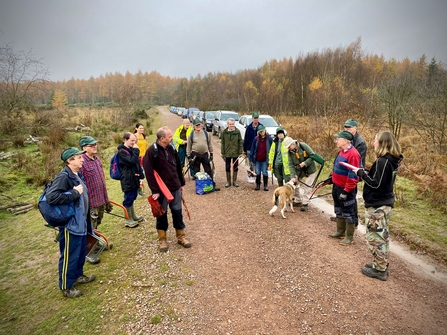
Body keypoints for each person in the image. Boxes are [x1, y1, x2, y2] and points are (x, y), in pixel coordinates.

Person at [352, 131, 403, 281]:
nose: (373, 143)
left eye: (375, 140)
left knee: (375, 237)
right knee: (383, 236)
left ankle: (380, 269)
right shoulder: (391, 160)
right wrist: (366, 172)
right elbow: (381, 179)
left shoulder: (383, 161)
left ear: (382, 143)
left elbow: (376, 184)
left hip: (378, 205)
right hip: (385, 203)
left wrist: (361, 173)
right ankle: (380, 264)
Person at [46, 147, 96, 298]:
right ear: (70, 160)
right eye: (79, 157)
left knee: (80, 252)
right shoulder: (63, 177)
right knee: (69, 255)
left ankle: (78, 276)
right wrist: (74, 193)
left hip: (81, 223)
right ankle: (66, 286)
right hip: (71, 225)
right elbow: (52, 197)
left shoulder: (75, 174)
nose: (82, 159)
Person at [143, 126, 191, 252]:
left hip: (175, 187)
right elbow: (148, 173)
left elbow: (178, 166)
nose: (172, 138)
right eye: (169, 136)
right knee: (161, 214)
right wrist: (155, 191)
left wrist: (181, 183)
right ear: (162, 138)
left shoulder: (172, 147)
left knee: (177, 212)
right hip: (161, 190)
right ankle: (162, 239)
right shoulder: (151, 152)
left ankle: (181, 237)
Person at [79, 136, 113, 263]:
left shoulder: (97, 159)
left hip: (101, 200)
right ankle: (90, 252)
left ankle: (96, 244)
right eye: (91, 145)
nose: (94, 146)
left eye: (95, 144)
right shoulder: (81, 162)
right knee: (89, 228)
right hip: (90, 203)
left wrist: (107, 200)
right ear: (84, 148)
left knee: (96, 225)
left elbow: (102, 182)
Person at [331, 119, 368, 224]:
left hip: (354, 173)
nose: (346, 129)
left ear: (355, 128)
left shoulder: (360, 143)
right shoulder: (343, 144)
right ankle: (341, 218)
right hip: (344, 174)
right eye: (345, 127)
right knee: (342, 200)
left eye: (349, 127)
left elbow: (356, 162)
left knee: (350, 199)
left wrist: (354, 177)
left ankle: (353, 220)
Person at [327, 130, 361, 245]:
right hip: (337, 186)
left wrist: (346, 190)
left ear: (346, 141)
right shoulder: (341, 152)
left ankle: (349, 237)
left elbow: (353, 175)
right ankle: (340, 231)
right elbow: (336, 167)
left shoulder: (354, 154)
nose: (336, 141)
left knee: (348, 211)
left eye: (338, 139)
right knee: (338, 209)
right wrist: (332, 177)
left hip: (346, 189)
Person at [117, 132, 144, 228]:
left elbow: (137, 163)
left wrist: (141, 175)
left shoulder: (131, 150)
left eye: (134, 141)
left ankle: (133, 216)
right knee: (128, 198)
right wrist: (136, 151)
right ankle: (128, 219)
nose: (134, 143)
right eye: (132, 140)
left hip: (134, 177)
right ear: (125, 140)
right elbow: (131, 161)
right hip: (127, 179)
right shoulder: (122, 152)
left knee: (132, 197)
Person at [284, 137, 318, 212]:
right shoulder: (289, 152)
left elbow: (312, 156)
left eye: (289, 147)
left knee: (307, 186)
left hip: (310, 169)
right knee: (294, 184)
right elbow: (290, 165)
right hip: (299, 171)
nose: (289, 148)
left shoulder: (303, 146)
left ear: (293, 144)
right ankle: (298, 200)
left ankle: (305, 203)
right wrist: (292, 177)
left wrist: (305, 163)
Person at [186, 119, 220, 191]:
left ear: (201, 125)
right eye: (196, 125)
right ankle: (199, 187)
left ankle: (212, 185)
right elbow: (188, 147)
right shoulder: (191, 135)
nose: (198, 126)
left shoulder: (206, 133)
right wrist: (189, 156)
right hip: (195, 155)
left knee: (208, 171)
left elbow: (209, 144)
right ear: (194, 126)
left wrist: (211, 153)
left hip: (204, 154)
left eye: (199, 125)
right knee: (197, 172)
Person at [221, 118, 243, 187]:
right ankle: (228, 181)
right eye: (230, 124)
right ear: (228, 124)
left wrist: (240, 152)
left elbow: (240, 142)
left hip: (235, 152)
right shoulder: (224, 132)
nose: (231, 125)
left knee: (235, 167)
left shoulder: (237, 132)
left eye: (233, 124)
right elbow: (223, 143)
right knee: (227, 167)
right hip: (227, 153)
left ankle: (234, 181)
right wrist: (223, 152)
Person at [249, 125, 272, 191]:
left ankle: (265, 186)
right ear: (258, 132)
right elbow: (252, 148)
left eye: (263, 131)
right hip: (257, 159)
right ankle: (258, 185)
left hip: (265, 159)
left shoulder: (269, 139)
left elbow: (272, 149)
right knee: (257, 172)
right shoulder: (256, 139)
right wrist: (251, 157)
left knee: (265, 172)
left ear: (265, 130)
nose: (262, 132)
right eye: (260, 131)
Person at [134, 123, 148, 197]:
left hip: (144, 157)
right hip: (138, 158)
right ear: (136, 129)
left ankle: (141, 190)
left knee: (143, 174)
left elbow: (146, 147)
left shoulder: (144, 136)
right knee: (138, 174)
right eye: (140, 128)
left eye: (142, 128)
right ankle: (138, 191)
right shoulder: (134, 137)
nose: (142, 129)